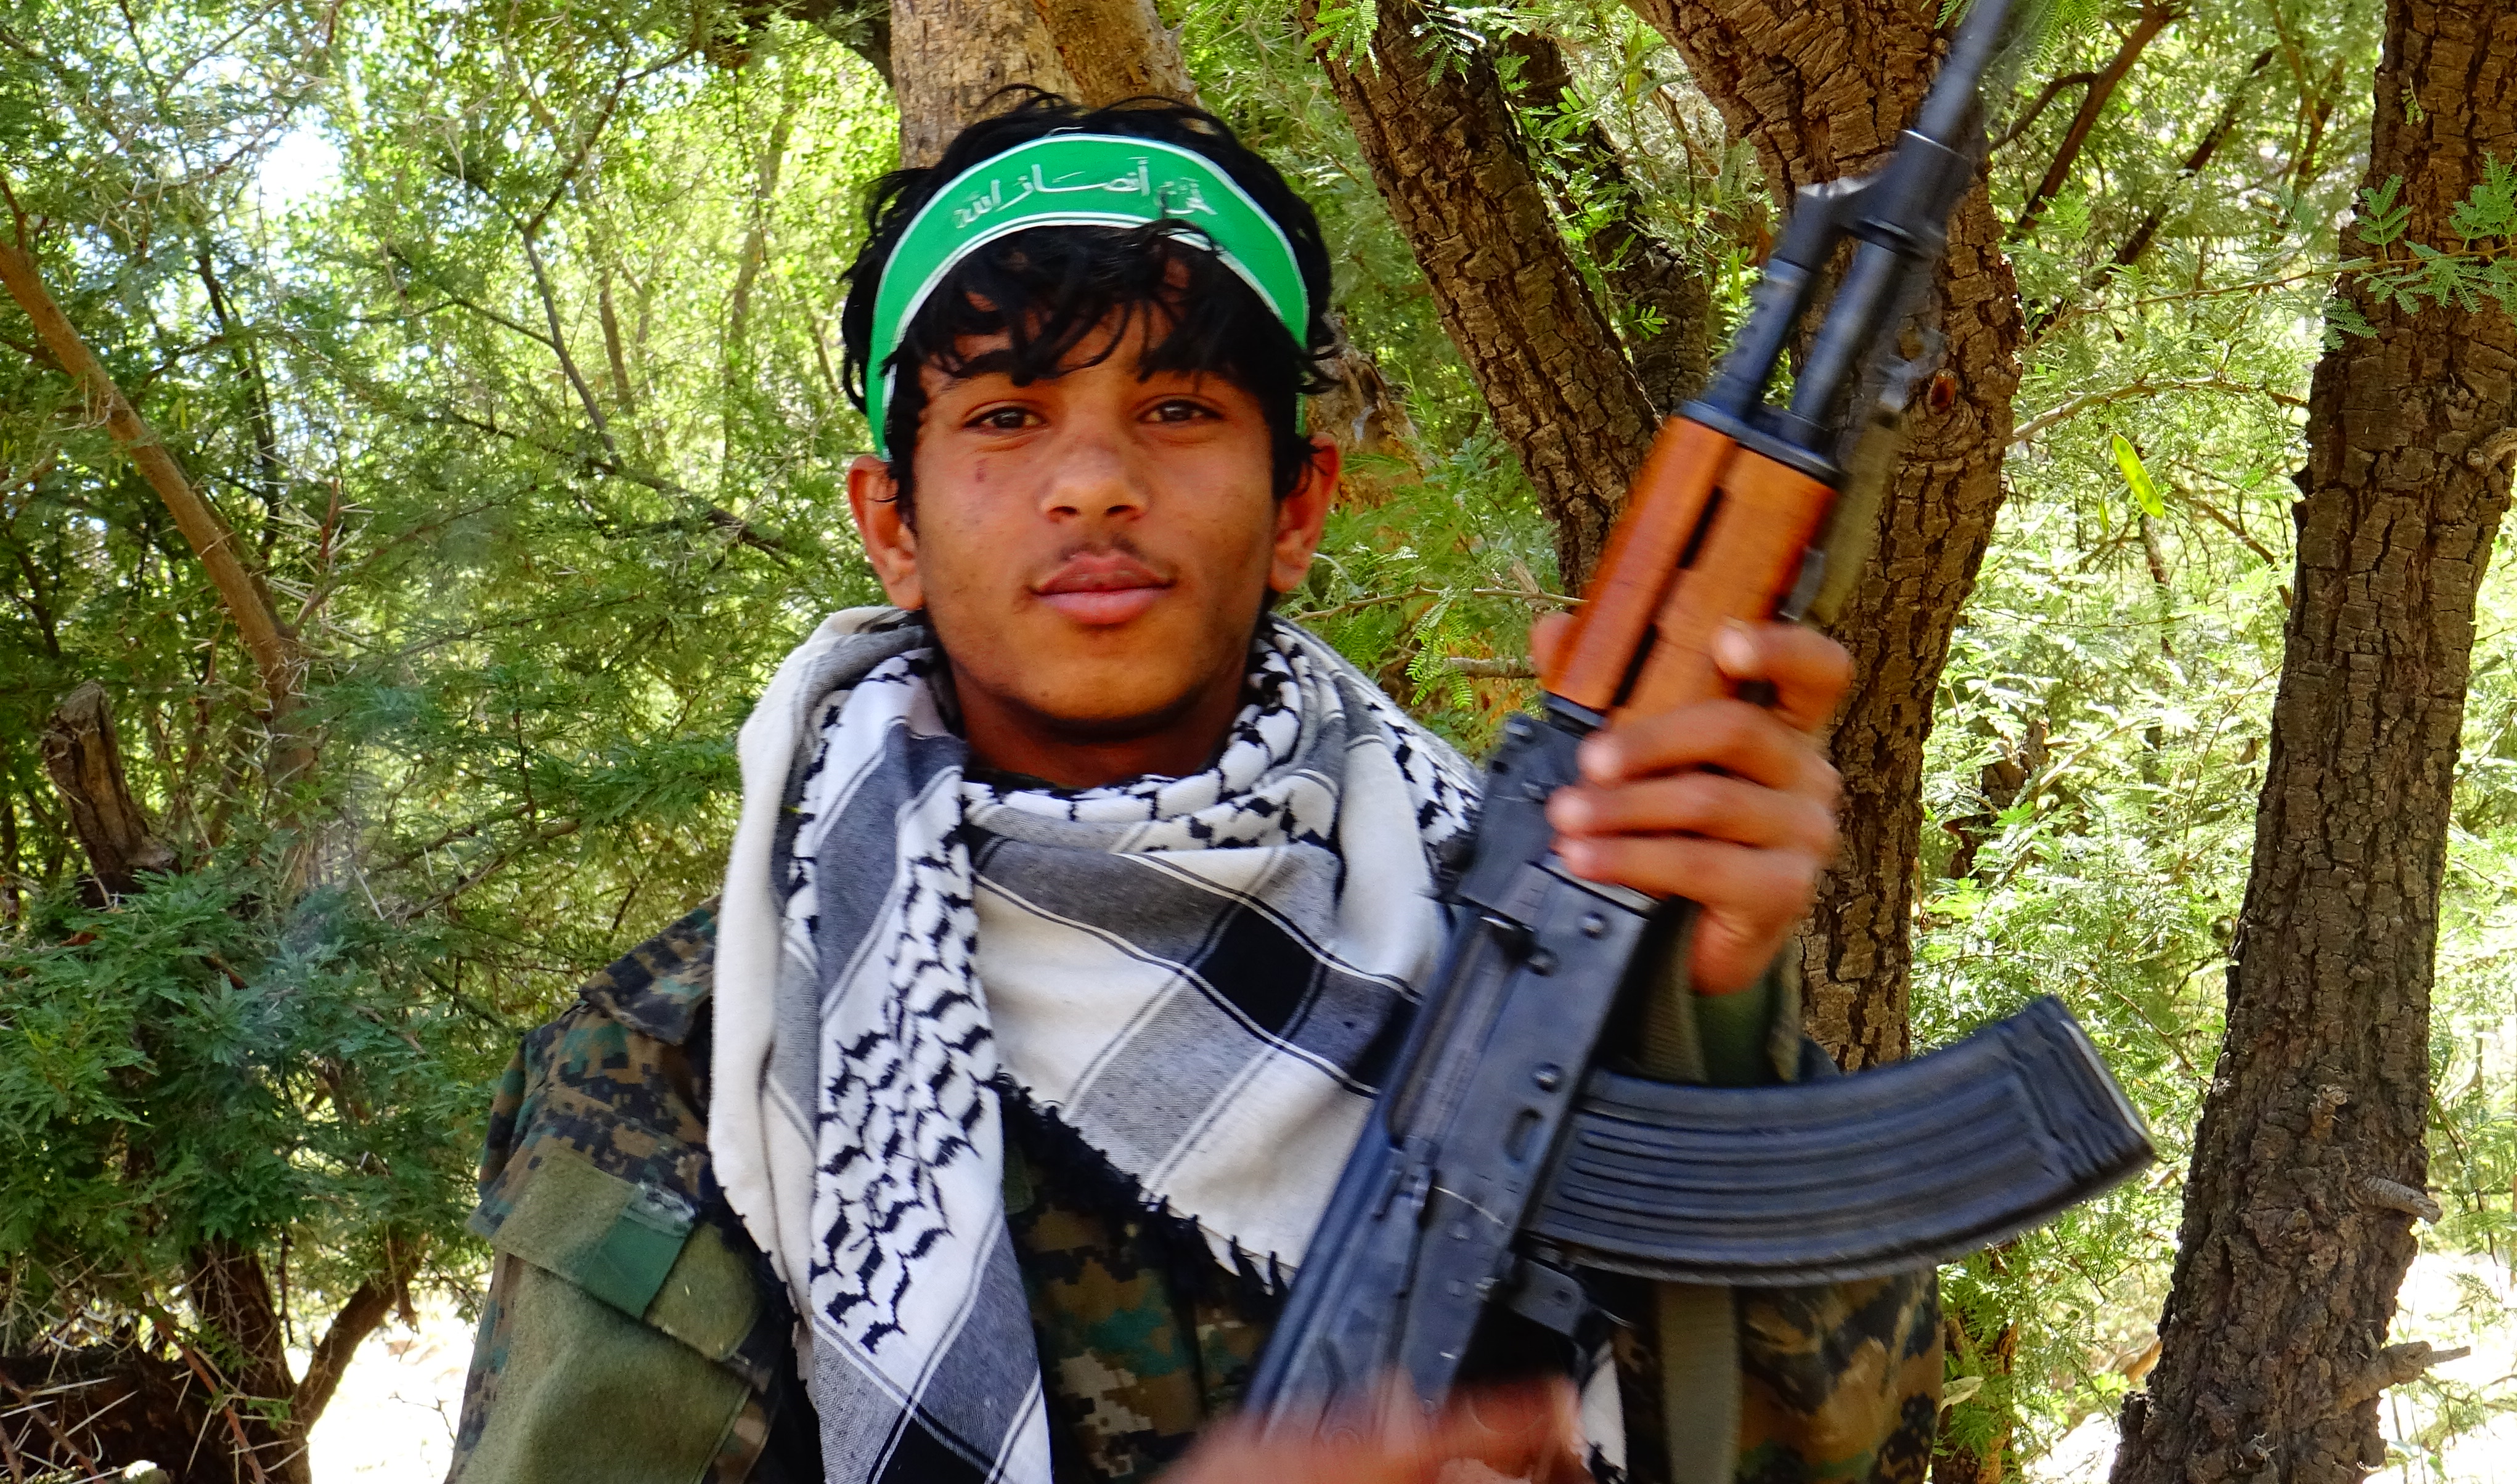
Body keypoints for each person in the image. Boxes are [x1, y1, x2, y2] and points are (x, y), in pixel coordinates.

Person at [442, 94, 1940, 1484]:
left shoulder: (1517, 916)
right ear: (890, 523)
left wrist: (1703, 1018)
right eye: (1005, 415)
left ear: (1298, 506)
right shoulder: (700, 1059)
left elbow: (1839, 1444)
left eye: (1176, 409)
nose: (1093, 481)